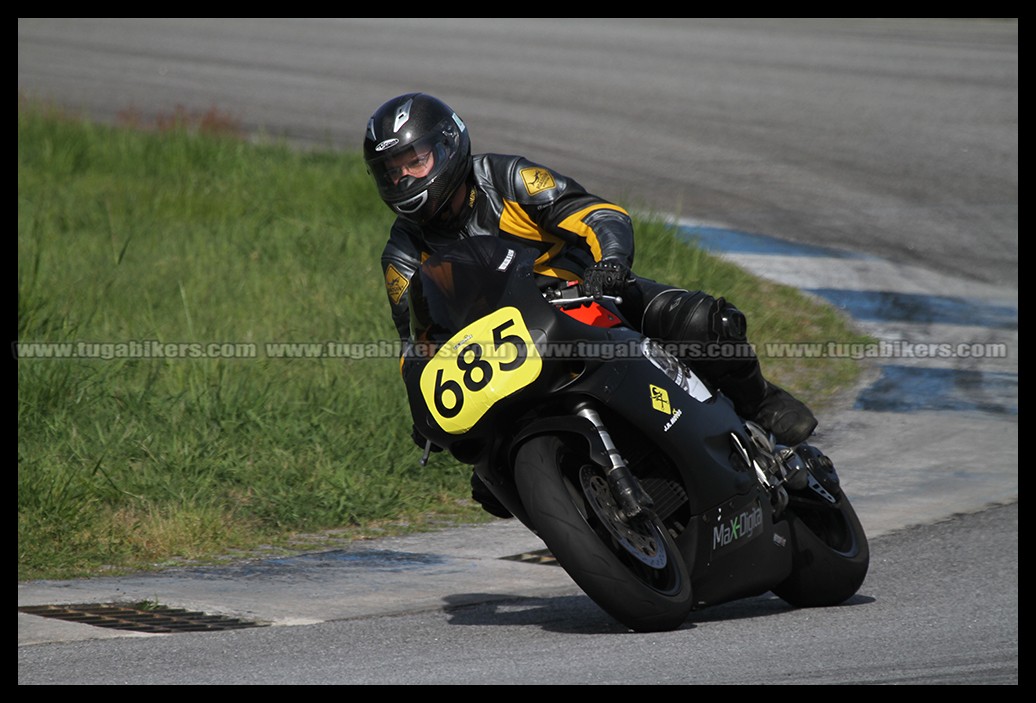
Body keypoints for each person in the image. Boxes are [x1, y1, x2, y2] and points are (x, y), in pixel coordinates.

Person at [364, 92, 818, 517]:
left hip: (588, 298)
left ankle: (758, 401)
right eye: (392, 171)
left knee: (704, 322)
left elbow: (598, 213)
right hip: (508, 356)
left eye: (415, 162)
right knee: (490, 482)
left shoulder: (506, 177)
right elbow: (416, 340)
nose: (404, 178)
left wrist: (612, 263)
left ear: (448, 148)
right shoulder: (402, 255)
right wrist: (420, 404)